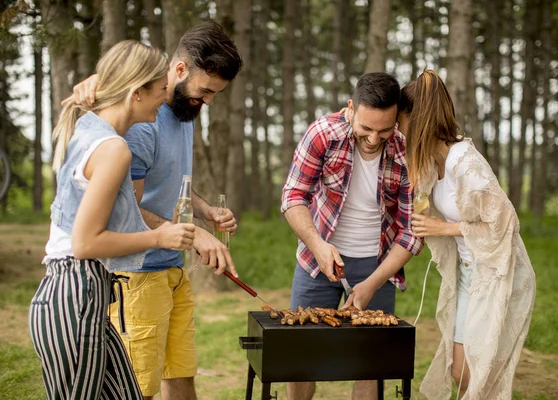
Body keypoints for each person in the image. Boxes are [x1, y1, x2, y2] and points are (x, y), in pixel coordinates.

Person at [66, 22, 243, 400]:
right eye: (205, 91)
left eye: (216, 94)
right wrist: (197, 237)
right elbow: (129, 206)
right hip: (137, 273)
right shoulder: (142, 124)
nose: (208, 101)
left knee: (180, 376)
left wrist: (205, 211)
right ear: (179, 70)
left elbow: (173, 182)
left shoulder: (183, 111)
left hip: (171, 268)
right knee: (138, 388)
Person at [29, 40, 197, 400]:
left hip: (86, 290)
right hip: (74, 293)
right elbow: (85, 243)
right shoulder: (114, 149)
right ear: (137, 93)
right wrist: (159, 237)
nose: (165, 100)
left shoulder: (93, 128)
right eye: (161, 91)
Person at [281, 72, 424, 400]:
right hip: (317, 263)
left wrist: (373, 282)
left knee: (371, 364)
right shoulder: (323, 133)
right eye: (366, 128)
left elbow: (411, 232)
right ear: (350, 108)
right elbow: (293, 196)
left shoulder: (405, 150)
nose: (374, 139)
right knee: (300, 357)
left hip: (378, 267)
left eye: (384, 130)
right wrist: (317, 245)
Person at [397, 70, 536, 399]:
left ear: (418, 122)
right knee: (460, 372)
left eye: (402, 123)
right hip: (468, 274)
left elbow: (505, 222)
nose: (400, 133)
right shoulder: (437, 162)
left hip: (496, 275)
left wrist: (443, 227)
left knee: (477, 374)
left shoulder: (465, 163)